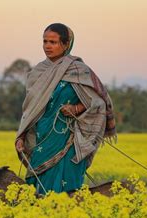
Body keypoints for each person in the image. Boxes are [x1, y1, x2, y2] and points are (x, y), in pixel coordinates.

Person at [15, 23, 117, 196]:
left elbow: (99, 102)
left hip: (68, 138)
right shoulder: (37, 73)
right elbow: (30, 111)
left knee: (68, 190)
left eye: (53, 42)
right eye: (45, 41)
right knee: (37, 187)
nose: (47, 46)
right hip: (41, 137)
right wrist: (22, 136)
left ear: (65, 44)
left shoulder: (78, 70)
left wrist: (76, 108)